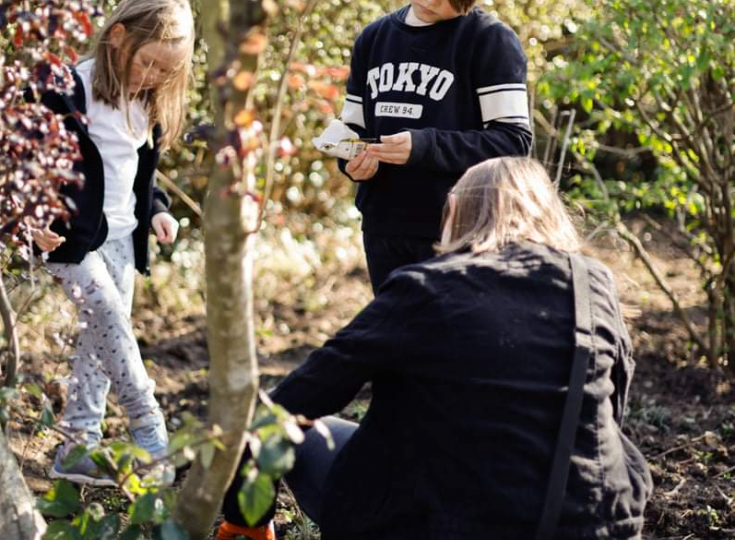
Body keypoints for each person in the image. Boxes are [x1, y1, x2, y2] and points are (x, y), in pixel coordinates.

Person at [217, 157, 653, 540]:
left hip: (447, 522)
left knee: (309, 434)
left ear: (456, 216)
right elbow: (609, 412)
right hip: (587, 520)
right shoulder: (592, 285)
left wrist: (246, 513)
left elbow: (290, 404)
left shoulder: (426, 289)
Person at [29, 0, 195, 486]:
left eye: (167, 70)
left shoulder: (146, 101)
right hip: (70, 240)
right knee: (112, 325)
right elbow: (30, 161)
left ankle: (77, 448)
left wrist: (158, 210)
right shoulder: (68, 89)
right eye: (148, 62)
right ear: (118, 37)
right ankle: (149, 424)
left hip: (122, 235)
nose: (153, 76)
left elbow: (140, 170)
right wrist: (31, 216)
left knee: (98, 344)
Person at [338, 0, 533, 293]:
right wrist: (351, 162)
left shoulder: (489, 39)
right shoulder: (373, 38)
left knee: (452, 337)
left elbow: (513, 141)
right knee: (395, 336)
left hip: (462, 232)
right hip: (384, 227)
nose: (429, 2)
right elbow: (353, 128)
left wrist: (425, 146)